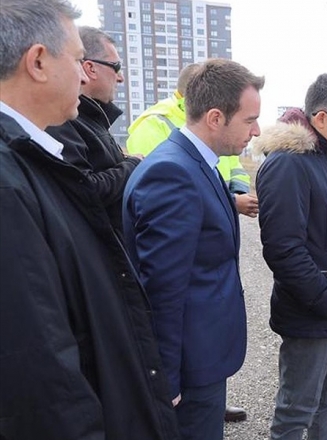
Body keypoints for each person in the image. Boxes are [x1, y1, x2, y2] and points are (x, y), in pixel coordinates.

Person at [0, 1, 178, 438]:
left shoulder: (34, 158)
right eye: (80, 60)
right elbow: (38, 363)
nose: (85, 75)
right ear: (39, 61)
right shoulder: (9, 181)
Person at [123, 59, 262, 439]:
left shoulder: (199, 162)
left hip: (202, 357)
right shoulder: (173, 172)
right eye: (250, 120)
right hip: (188, 367)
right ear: (216, 118)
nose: (257, 130)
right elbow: (162, 289)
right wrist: (166, 380)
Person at [254, 72, 327, 440]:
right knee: (296, 410)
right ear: (321, 118)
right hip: (314, 315)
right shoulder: (288, 164)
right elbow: (284, 250)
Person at [128, 62, 259, 219]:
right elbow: (162, 189)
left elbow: (233, 167)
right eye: (249, 121)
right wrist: (231, 201)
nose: (257, 132)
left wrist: (236, 193)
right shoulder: (153, 123)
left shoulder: (215, 135)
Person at [45, 26, 140, 232]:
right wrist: (133, 164)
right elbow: (86, 189)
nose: (120, 77)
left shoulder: (91, 118)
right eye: (116, 67)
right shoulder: (62, 120)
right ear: (90, 68)